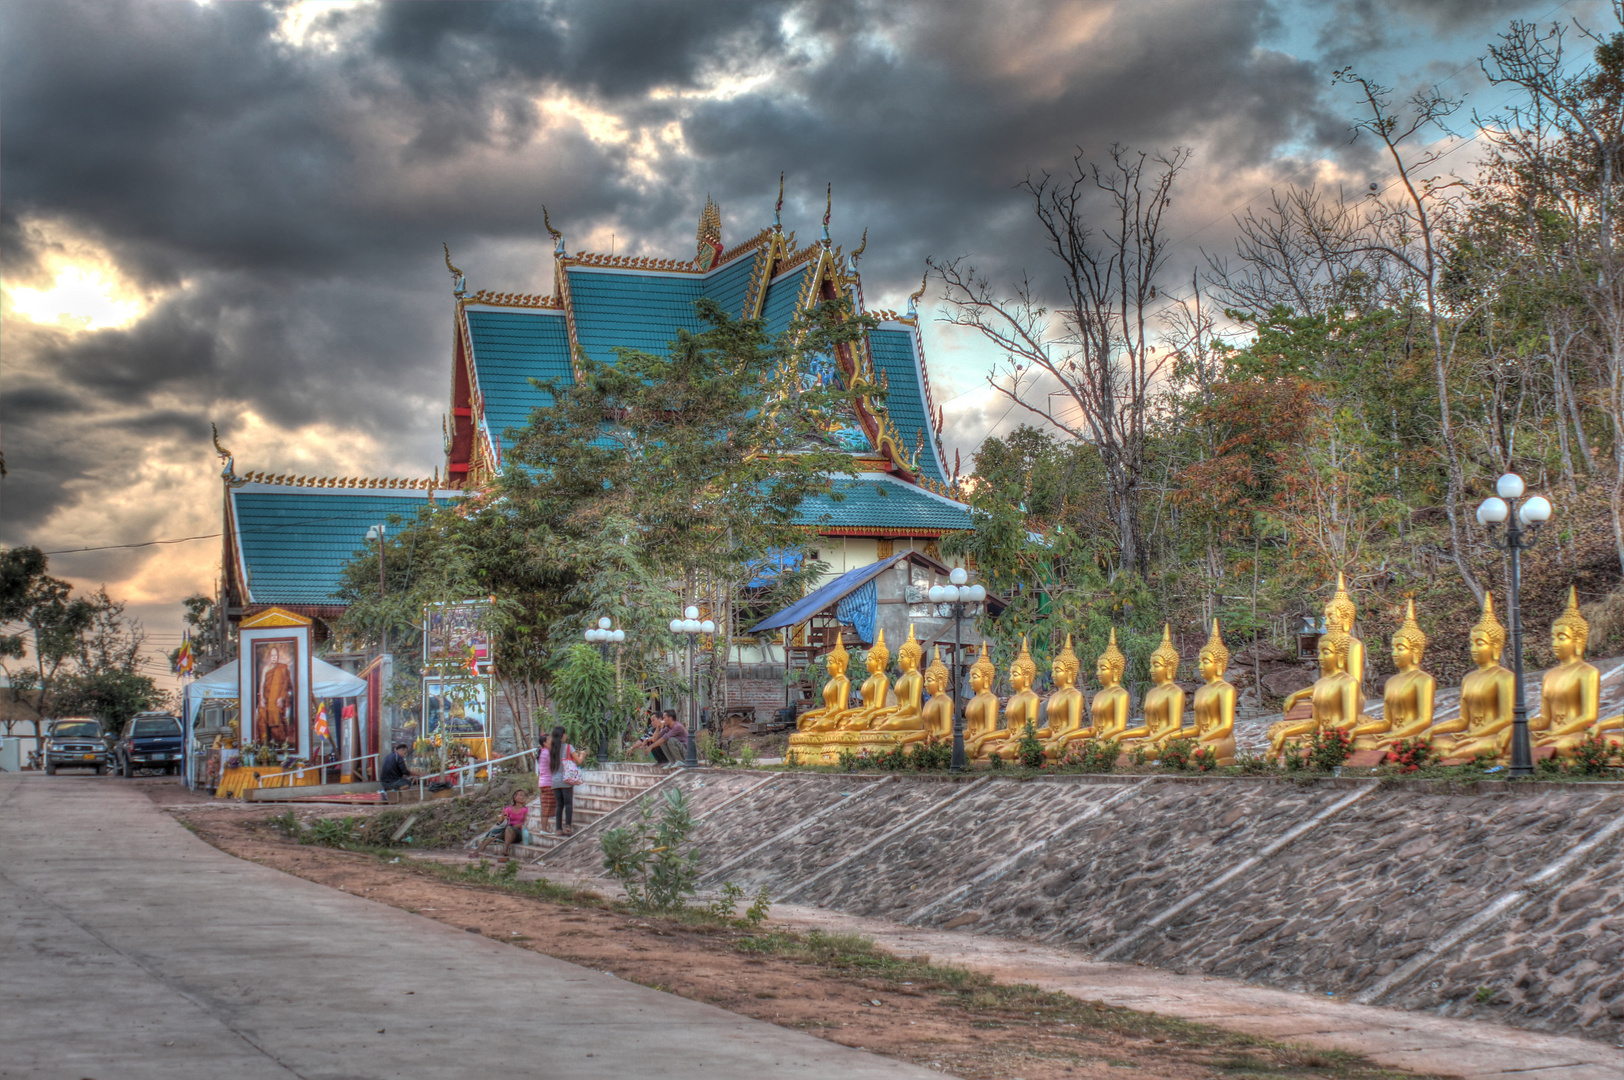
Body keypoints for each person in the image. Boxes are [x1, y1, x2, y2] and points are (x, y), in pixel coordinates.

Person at [544, 725, 587, 836]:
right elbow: (579, 761)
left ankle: (558, 829)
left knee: (559, 805)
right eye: (565, 733)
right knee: (568, 803)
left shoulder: (552, 749)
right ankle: (568, 825)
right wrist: (583, 754)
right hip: (566, 780)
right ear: (563, 735)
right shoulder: (568, 747)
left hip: (555, 781)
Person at [472, 790, 531, 859]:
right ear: (515, 797)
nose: (522, 797)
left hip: (518, 833)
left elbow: (524, 823)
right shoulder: (508, 809)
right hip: (506, 831)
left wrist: (511, 827)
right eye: (520, 795)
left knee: (509, 829)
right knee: (493, 832)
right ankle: (479, 849)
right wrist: (502, 818)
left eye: (524, 796)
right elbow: (501, 823)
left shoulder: (526, 810)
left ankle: (505, 849)